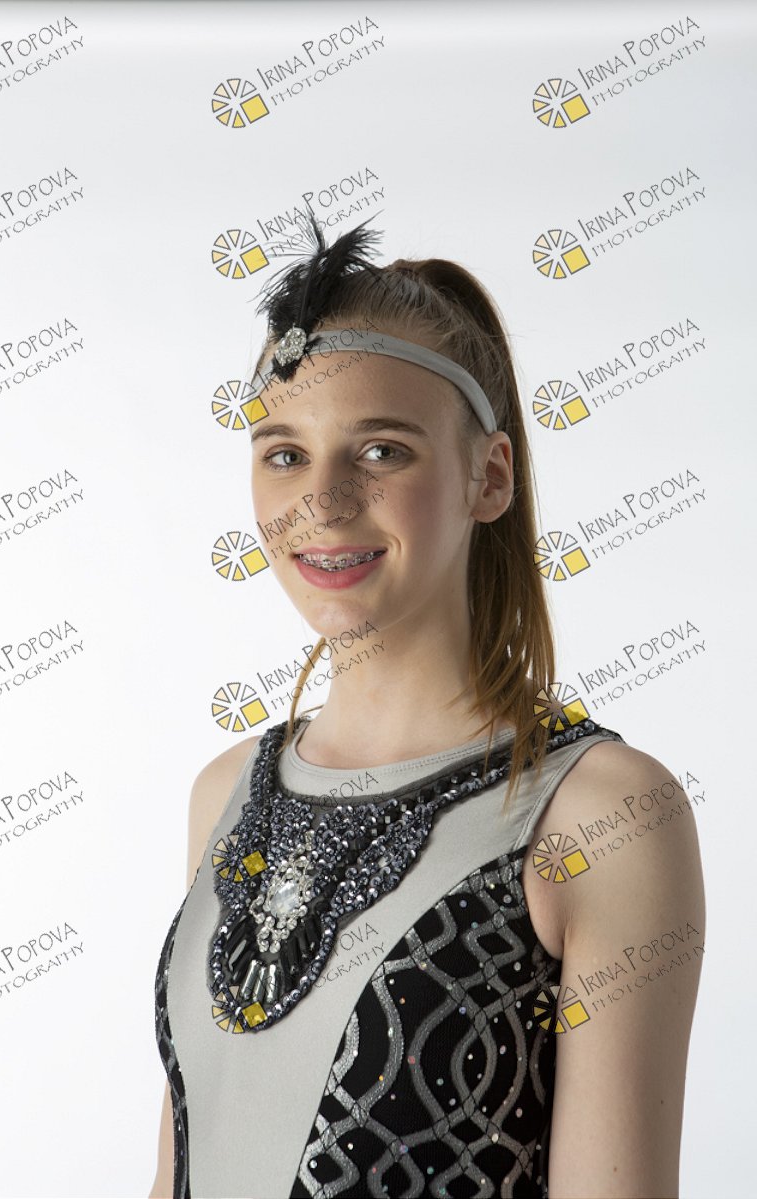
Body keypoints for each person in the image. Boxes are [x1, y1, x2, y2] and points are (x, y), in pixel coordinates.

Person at [149, 212, 705, 1199]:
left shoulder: (598, 814)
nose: (322, 501)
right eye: (284, 453)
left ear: (488, 476)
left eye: (380, 451)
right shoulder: (223, 793)